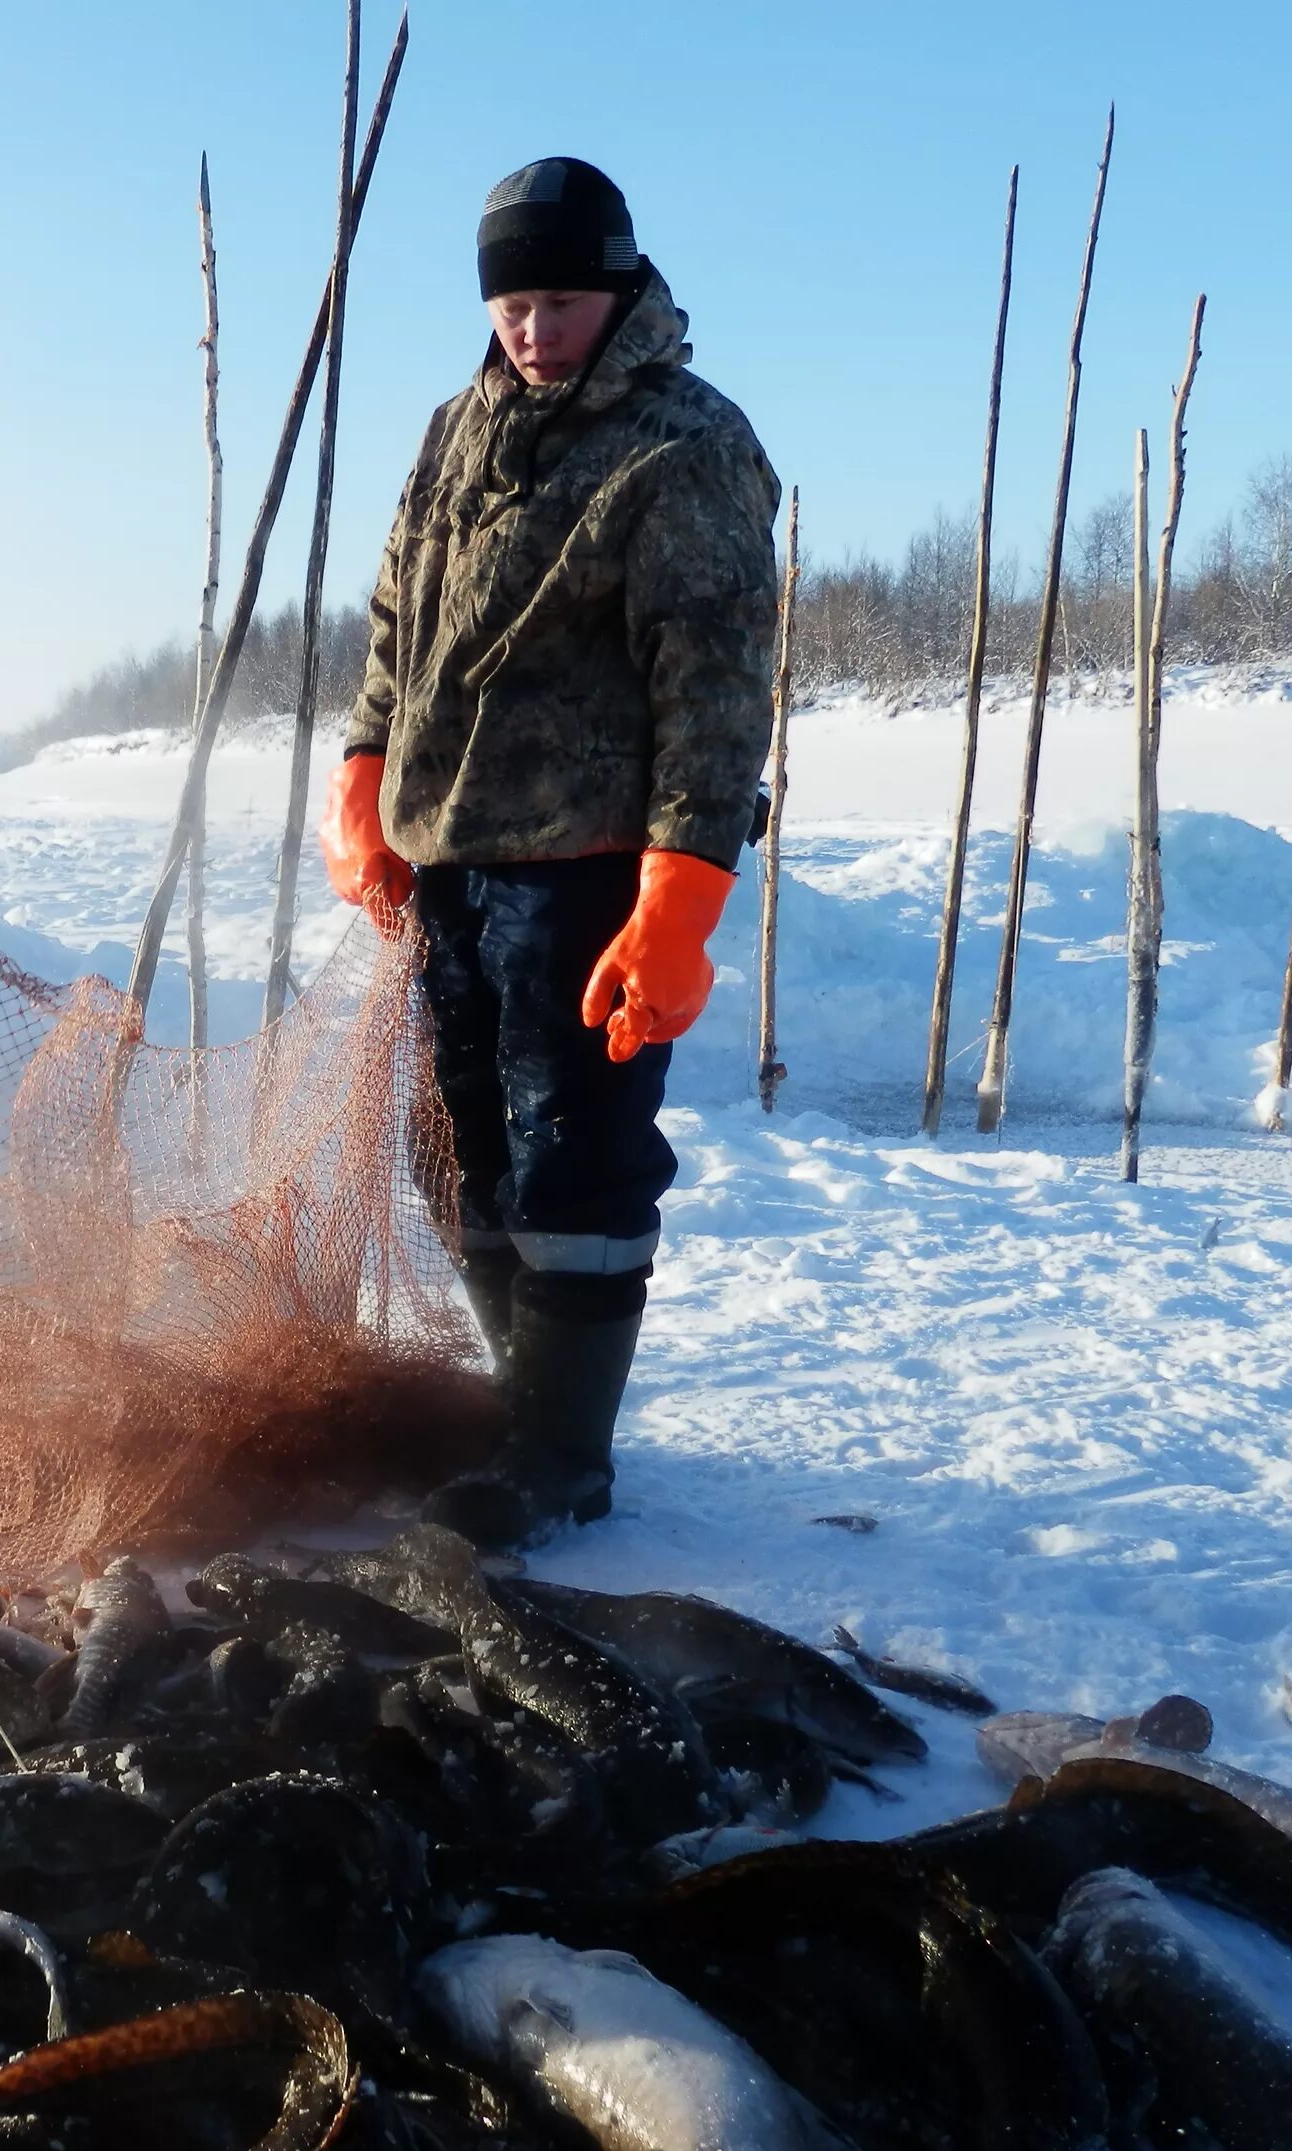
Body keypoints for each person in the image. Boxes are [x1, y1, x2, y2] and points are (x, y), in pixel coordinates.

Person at [325, 157, 780, 1548]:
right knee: (453, 1138)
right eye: (515, 304)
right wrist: (364, 772)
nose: (534, 330)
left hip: (588, 868)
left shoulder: (682, 444)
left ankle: (561, 1455)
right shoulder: (458, 426)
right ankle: (525, 1402)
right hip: (446, 864)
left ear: (620, 286)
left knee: (575, 1153)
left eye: (562, 300)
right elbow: (398, 619)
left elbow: (713, 686)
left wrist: (681, 897)